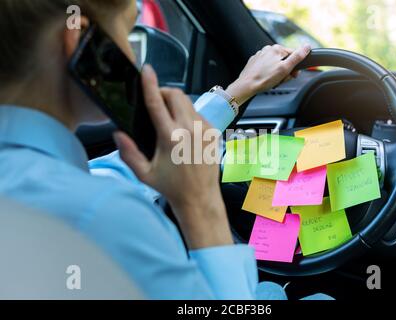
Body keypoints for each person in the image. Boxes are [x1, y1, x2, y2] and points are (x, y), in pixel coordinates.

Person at [0, 0, 311, 299]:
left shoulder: (40, 183)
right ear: (80, 42)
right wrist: (201, 203)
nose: (135, 61)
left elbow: (110, 176)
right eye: (129, 33)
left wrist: (234, 94)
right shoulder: (106, 216)